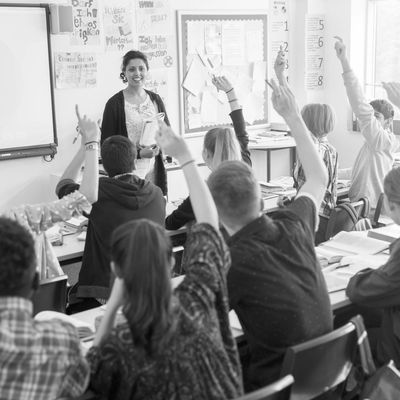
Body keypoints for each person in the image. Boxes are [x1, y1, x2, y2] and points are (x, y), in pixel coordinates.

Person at [85, 121, 243, 400]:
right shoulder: (199, 298)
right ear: (171, 263)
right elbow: (209, 221)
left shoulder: (119, 345)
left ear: (116, 271)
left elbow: (87, 377)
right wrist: (184, 157)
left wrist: (111, 310)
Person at [207, 79, 333, 390]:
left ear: (219, 216)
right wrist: (292, 115)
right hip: (325, 381)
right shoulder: (294, 225)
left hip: (276, 388)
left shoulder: (231, 262)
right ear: (262, 201)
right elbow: (318, 178)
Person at [58, 132, 166, 311]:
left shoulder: (98, 193)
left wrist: (85, 147)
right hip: (148, 291)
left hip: (107, 296)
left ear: (105, 167)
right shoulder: (156, 193)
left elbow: (62, 186)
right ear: (134, 162)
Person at [5, 106, 99, 280]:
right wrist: (91, 142)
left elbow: (70, 189)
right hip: (42, 297)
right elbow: (86, 197)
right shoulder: (22, 219)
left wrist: (86, 145)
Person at [165, 75, 251, 230]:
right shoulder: (245, 168)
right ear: (234, 146)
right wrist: (230, 92)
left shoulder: (204, 191)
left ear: (206, 154)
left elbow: (170, 224)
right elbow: (241, 131)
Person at [334, 37, 400, 216]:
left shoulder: (380, 139)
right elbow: (360, 172)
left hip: (369, 210)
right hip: (364, 205)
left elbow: (359, 104)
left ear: (388, 122)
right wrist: (333, 173)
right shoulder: (373, 143)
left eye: (376, 117)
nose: (372, 121)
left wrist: (344, 61)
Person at [347, 167, 400, 368]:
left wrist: (362, 274)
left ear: (390, 204)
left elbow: (359, 291)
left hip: (395, 360)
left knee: (343, 328)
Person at [101, 50, 169, 195]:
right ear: (124, 73)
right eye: (131, 69)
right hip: (127, 173)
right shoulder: (114, 104)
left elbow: (167, 133)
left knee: (155, 205)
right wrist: (139, 154)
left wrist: (160, 145)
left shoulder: (155, 99)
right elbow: (107, 147)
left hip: (154, 168)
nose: (137, 73)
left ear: (147, 71)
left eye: (141, 68)